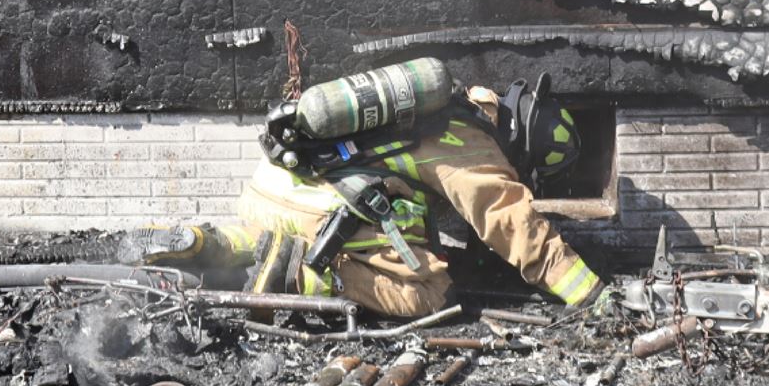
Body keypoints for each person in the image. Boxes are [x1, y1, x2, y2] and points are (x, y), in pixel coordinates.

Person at [125, 72, 605, 318]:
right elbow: (511, 222)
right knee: (433, 294)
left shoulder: (439, 104)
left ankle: (208, 242)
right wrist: (590, 294)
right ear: (526, 147)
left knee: (263, 237)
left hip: (270, 188)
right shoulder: (473, 141)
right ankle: (305, 275)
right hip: (325, 215)